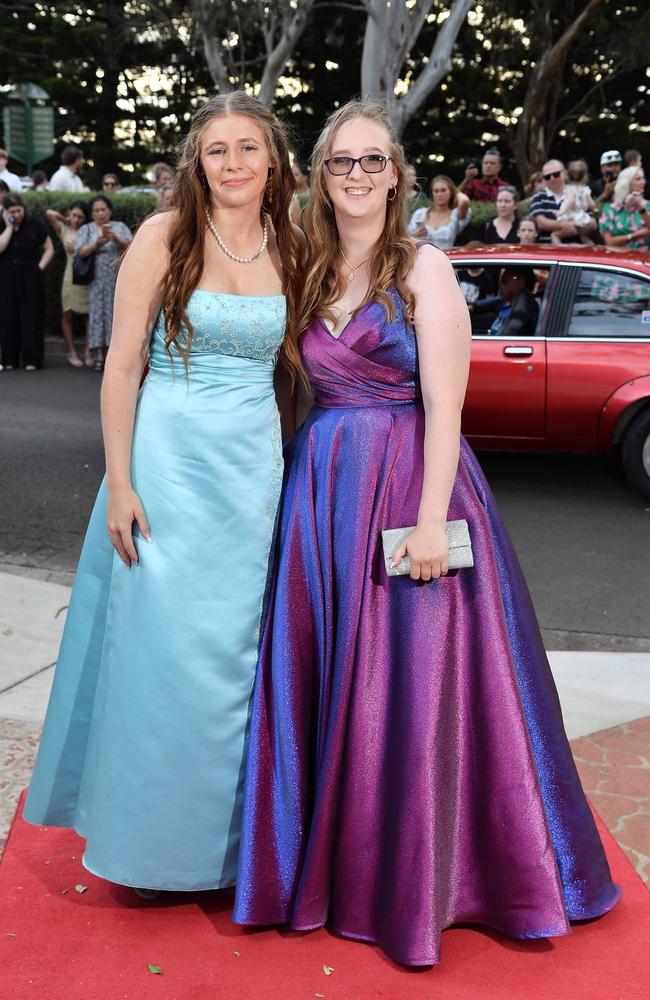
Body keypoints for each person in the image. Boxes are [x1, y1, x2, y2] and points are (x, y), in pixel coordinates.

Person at [233, 98, 621, 968]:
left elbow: (446, 406)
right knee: (334, 677)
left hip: (413, 480)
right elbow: (285, 391)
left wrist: (433, 520)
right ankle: (328, 864)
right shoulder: (304, 267)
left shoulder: (427, 267)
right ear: (321, 177)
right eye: (342, 162)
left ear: (397, 175)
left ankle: (434, 880)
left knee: (413, 688)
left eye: (374, 161)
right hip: (323, 490)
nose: (359, 175)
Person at [23, 92, 302, 896]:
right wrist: (120, 483)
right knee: (164, 656)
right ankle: (148, 847)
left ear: (274, 159)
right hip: (168, 467)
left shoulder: (291, 242)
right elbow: (121, 368)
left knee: (235, 661)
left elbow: (292, 375)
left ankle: (228, 850)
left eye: (248, 148)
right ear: (197, 162)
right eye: (217, 150)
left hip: (251, 475)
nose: (234, 164)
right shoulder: (164, 235)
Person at [74, 195, 133, 371]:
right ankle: (100, 354)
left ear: (110, 210)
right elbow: (80, 252)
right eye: (96, 210)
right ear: (91, 213)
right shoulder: (86, 229)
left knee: (115, 315)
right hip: (96, 278)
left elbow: (132, 247)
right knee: (97, 315)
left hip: (116, 278)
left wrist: (116, 239)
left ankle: (114, 355)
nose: (100, 213)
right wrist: (96, 244)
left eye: (103, 209)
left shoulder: (119, 227)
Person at [0, 194, 54, 371]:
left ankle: (33, 359)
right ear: (6, 212)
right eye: (13, 211)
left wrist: (39, 268)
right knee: (8, 317)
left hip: (30, 276)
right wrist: (9, 226)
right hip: (7, 278)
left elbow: (49, 248)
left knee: (31, 317)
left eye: (19, 210)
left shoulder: (35, 225)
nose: (17, 214)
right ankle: (10, 359)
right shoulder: (3, 225)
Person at [46, 202, 91, 367]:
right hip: (70, 276)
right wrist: (66, 219)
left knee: (89, 315)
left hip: (87, 276)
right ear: (69, 214)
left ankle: (88, 351)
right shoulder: (64, 229)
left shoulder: (89, 231)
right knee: (68, 314)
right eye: (74, 215)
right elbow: (50, 212)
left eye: (80, 216)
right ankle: (71, 353)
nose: (77, 219)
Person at [408, 174, 471, 248]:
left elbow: (464, 200)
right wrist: (415, 235)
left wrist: (455, 191)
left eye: (443, 190)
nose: (439, 194)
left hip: (447, 257)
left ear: (451, 192)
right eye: (436, 191)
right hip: (422, 257)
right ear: (432, 193)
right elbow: (405, 240)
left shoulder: (455, 215)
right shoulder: (420, 214)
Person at [599, 165, 650, 251]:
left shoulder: (647, 206)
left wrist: (640, 207)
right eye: (638, 179)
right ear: (626, 183)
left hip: (644, 259)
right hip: (617, 260)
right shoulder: (610, 209)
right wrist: (636, 235)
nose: (643, 182)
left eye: (643, 178)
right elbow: (609, 242)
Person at [529, 159, 578, 244]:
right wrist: (564, 225)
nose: (552, 178)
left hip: (577, 249)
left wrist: (574, 226)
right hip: (547, 250)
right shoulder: (539, 196)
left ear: (565, 174)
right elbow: (541, 223)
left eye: (556, 174)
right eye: (547, 177)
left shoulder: (578, 193)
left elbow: (592, 224)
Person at [554, 159, 597, 244]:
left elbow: (569, 202)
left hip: (571, 217)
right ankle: (591, 246)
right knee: (584, 235)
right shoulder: (586, 190)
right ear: (584, 176)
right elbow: (592, 204)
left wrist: (561, 212)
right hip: (582, 217)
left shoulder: (569, 189)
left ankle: (558, 249)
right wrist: (594, 209)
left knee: (555, 235)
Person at [289, 160, 310, 224]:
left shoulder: (313, 195)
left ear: (305, 177)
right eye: (291, 174)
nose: (292, 177)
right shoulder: (288, 194)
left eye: (296, 174)